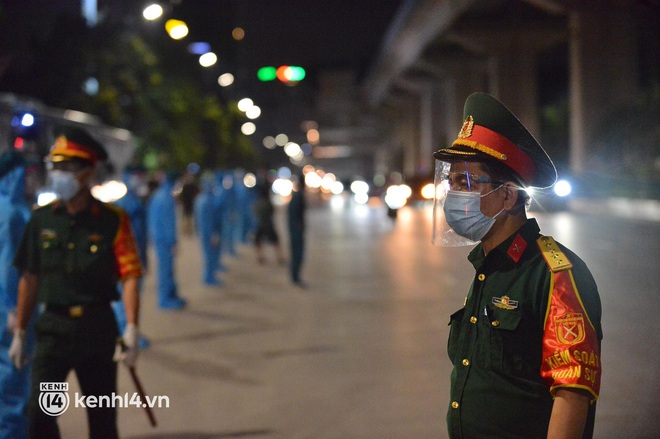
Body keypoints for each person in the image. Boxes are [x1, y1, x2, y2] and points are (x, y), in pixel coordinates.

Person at [432, 92, 602, 439]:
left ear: (508, 195)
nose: (454, 195)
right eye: (451, 184)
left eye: (466, 183)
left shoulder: (554, 274)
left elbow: (572, 393)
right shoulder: (488, 267)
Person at [9, 126, 143, 439]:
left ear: (88, 172)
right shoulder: (41, 220)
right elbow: (30, 277)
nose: (59, 175)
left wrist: (132, 328)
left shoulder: (112, 220)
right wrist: (20, 331)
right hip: (54, 333)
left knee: (102, 421)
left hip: (97, 333)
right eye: (56, 167)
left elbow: (131, 275)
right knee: (41, 416)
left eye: (68, 167)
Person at [0, 151, 35, 439]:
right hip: (10, 311)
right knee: (14, 380)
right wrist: (15, 311)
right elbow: (10, 265)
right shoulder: (12, 213)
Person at [112, 167, 150, 349]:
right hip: (125, 262)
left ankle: (129, 330)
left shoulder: (137, 203)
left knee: (134, 297)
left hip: (136, 256)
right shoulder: (123, 205)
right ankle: (123, 332)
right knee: (124, 298)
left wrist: (144, 259)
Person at [147, 171, 186, 309]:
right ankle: (165, 299)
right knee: (166, 270)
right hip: (164, 241)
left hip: (158, 238)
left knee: (166, 269)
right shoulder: (167, 198)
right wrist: (173, 242)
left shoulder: (157, 195)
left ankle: (170, 295)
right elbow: (169, 223)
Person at [194, 173, 223, 286]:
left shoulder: (200, 199)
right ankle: (208, 277)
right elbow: (210, 220)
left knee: (208, 255)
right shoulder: (207, 201)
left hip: (204, 232)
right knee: (209, 256)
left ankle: (209, 276)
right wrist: (213, 234)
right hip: (208, 233)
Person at [253, 183, 285, 265]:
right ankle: (280, 257)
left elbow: (255, 213)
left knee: (258, 241)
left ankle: (260, 257)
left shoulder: (258, 203)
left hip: (260, 225)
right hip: (268, 224)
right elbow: (272, 212)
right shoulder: (268, 203)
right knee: (275, 241)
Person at [287, 173, 306, 286]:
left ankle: (295, 276)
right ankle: (295, 277)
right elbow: (294, 215)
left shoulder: (297, 196)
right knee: (297, 254)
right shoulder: (298, 197)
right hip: (296, 231)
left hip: (296, 230)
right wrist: (298, 229)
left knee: (297, 253)